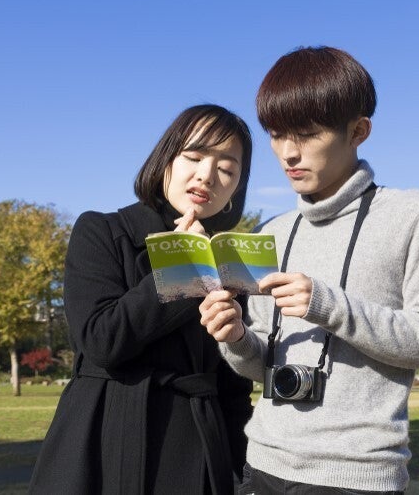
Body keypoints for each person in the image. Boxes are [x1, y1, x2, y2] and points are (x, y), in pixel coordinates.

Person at [200, 46, 419, 493]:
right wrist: (236, 337)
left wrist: (328, 305)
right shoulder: (271, 232)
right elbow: (260, 366)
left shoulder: (415, 214)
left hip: (357, 475)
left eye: (307, 134)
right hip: (262, 465)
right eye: (277, 135)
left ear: (358, 131)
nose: (288, 153)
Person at [29, 104, 255, 495]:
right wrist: (186, 261)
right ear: (165, 159)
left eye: (227, 169)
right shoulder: (102, 231)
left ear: (235, 190)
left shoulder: (231, 262)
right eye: (194, 157)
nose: (207, 175)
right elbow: (101, 341)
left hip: (200, 450)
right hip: (108, 438)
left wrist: (249, 475)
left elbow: (233, 390)